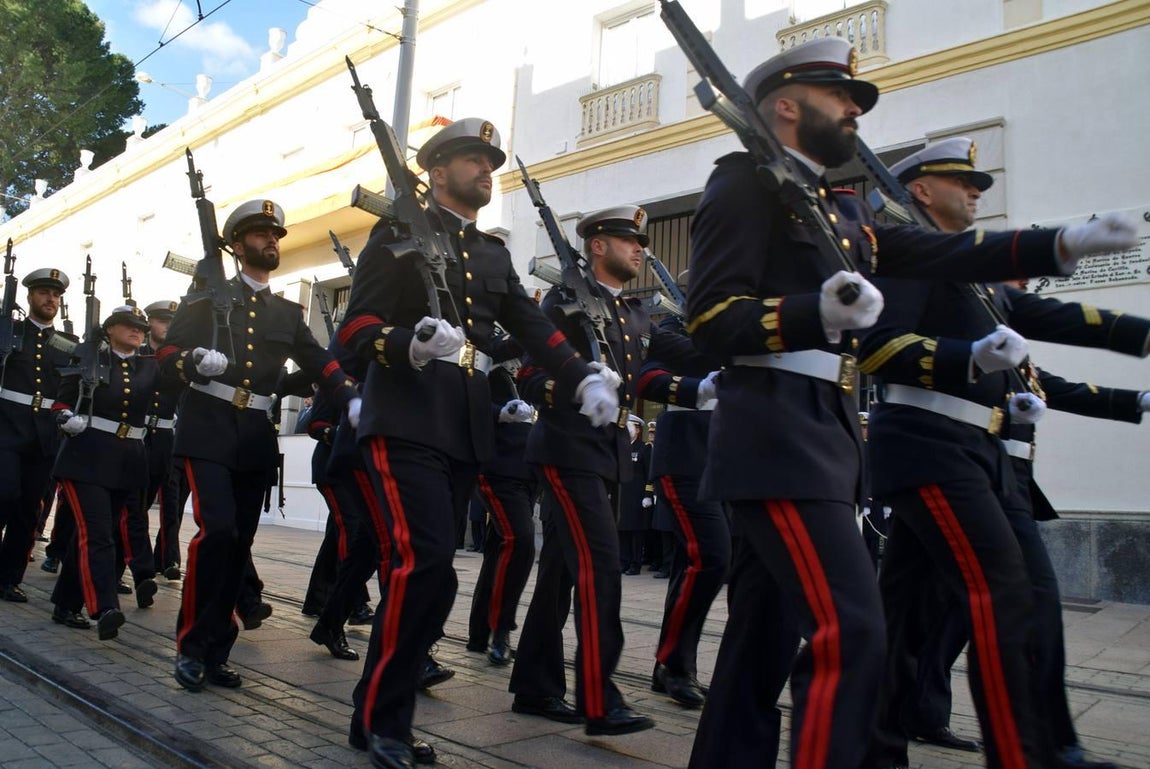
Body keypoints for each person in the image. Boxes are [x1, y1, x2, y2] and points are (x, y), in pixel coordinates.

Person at [682, 38, 1136, 769]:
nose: (855, 112)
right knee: (852, 630)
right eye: (842, 99)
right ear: (788, 107)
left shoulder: (838, 210)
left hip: (822, 439)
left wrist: (1062, 243)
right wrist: (815, 314)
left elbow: (949, 256)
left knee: (760, 641)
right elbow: (708, 320)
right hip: (774, 439)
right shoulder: (742, 185)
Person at [857, 137, 1148, 769]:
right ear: (922, 192)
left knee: (910, 610)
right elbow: (876, 344)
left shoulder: (972, 277)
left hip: (981, 455)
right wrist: (969, 359)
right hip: (927, 447)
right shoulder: (909, 259)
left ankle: (883, 735)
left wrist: (1139, 333)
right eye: (963, 184)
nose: (977, 192)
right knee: (1006, 591)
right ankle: (1033, 751)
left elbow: (1051, 314)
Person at [336, 118, 618, 769]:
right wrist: (404, 343)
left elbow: (532, 327)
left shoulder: (491, 253)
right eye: (471, 159)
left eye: (490, 161)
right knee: (426, 562)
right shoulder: (396, 232)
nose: (485, 170)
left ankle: (371, 709)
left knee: (431, 581)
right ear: (436, 173)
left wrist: (581, 380)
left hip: (465, 431)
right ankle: (387, 723)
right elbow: (356, 327)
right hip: (403, 417)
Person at [509, 204, 716, 737]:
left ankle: (535, 685)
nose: (640, 249)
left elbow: (652, 371)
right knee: (600, 569)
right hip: (566, 449)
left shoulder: (634, 314)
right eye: (629, 240)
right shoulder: (564, 302)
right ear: (597, 246)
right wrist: (574, 389)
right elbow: (529, 375)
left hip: (607, 456)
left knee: (558, 573)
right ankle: (600, 698)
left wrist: (703, 385)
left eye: (640, 241)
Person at [157, 198, 362, 693]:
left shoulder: (288, 313)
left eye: (275, 235)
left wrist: (352, 397)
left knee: (239, 542)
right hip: (207, 429)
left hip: (253, 437)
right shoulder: (205, 298)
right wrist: (190, 362)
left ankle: (218, 648)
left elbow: (319, 362)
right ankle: (191, 646)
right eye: (260, 233)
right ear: (235, 244)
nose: (271, 241)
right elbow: (164, 354)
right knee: (218, 533)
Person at [49, 305, 160, 638]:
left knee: (100, 532)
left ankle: (66, 604)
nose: (137, 331)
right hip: (86, 458)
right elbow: (60, 402)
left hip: (127, 462)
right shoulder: (88, 358)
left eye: (141, 327)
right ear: (110, 329)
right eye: (128, 325)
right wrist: (65, 418)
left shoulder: (150, 368)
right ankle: (104, 607)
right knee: (96, 533)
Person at [645, 310, 727, 709]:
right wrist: (700, 385)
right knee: (711, 557)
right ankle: (674, 664)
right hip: (687, 455)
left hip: (727, 460)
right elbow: (649, 376)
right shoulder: (671, 330)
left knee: (689, 566)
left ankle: (675, 666)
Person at [0, 267, 75, 603]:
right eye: (45, 292)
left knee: (29, 508)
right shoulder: (9, 331)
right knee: (4, 494)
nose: (51, 299)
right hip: (7, 427)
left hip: (45, 434)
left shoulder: (68, 344)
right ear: (29, 296)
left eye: (56, 295)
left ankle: (7, 579)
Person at [466, 362, 538, 666]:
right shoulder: (490, 365)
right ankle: (501, 628)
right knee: (521, 541)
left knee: (498, 552)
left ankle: (480, 632)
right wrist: (501, 411)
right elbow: (468, 401)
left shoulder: (531, 367)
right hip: (499, 469)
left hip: (528, 470)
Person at [141, 299, 186, 582]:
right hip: (140, 437)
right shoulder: (138, 356)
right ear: (149, 324)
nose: (167, 327)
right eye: (162, 321)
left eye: (172, 322)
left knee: (172, 503)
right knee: (138, 505)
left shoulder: (178, 361)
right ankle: (136, 560)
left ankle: (168, 558)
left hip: (168, 438)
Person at [616, 414, 652, 576]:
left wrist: (647, 494)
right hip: (622, 496)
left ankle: (635, 563)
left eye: (631, 427)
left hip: (637, 496)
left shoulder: (644, 448)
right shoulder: (621, 447)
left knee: (635, 532)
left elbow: (649, 473)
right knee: (622, 529)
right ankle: (623, 561)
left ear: (637, 430)